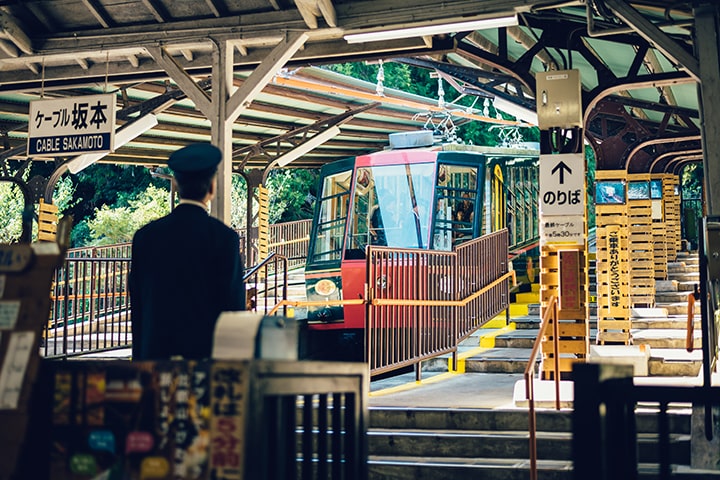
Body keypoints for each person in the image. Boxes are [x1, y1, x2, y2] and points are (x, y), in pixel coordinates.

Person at [129, 143, 246, 361]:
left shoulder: (145, 237)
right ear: (212, 187)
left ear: (177, 185)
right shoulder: (224, 238)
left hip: (155, 361)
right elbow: (233, 308)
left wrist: (140, 361)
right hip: (205, 362)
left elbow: (138, 306)